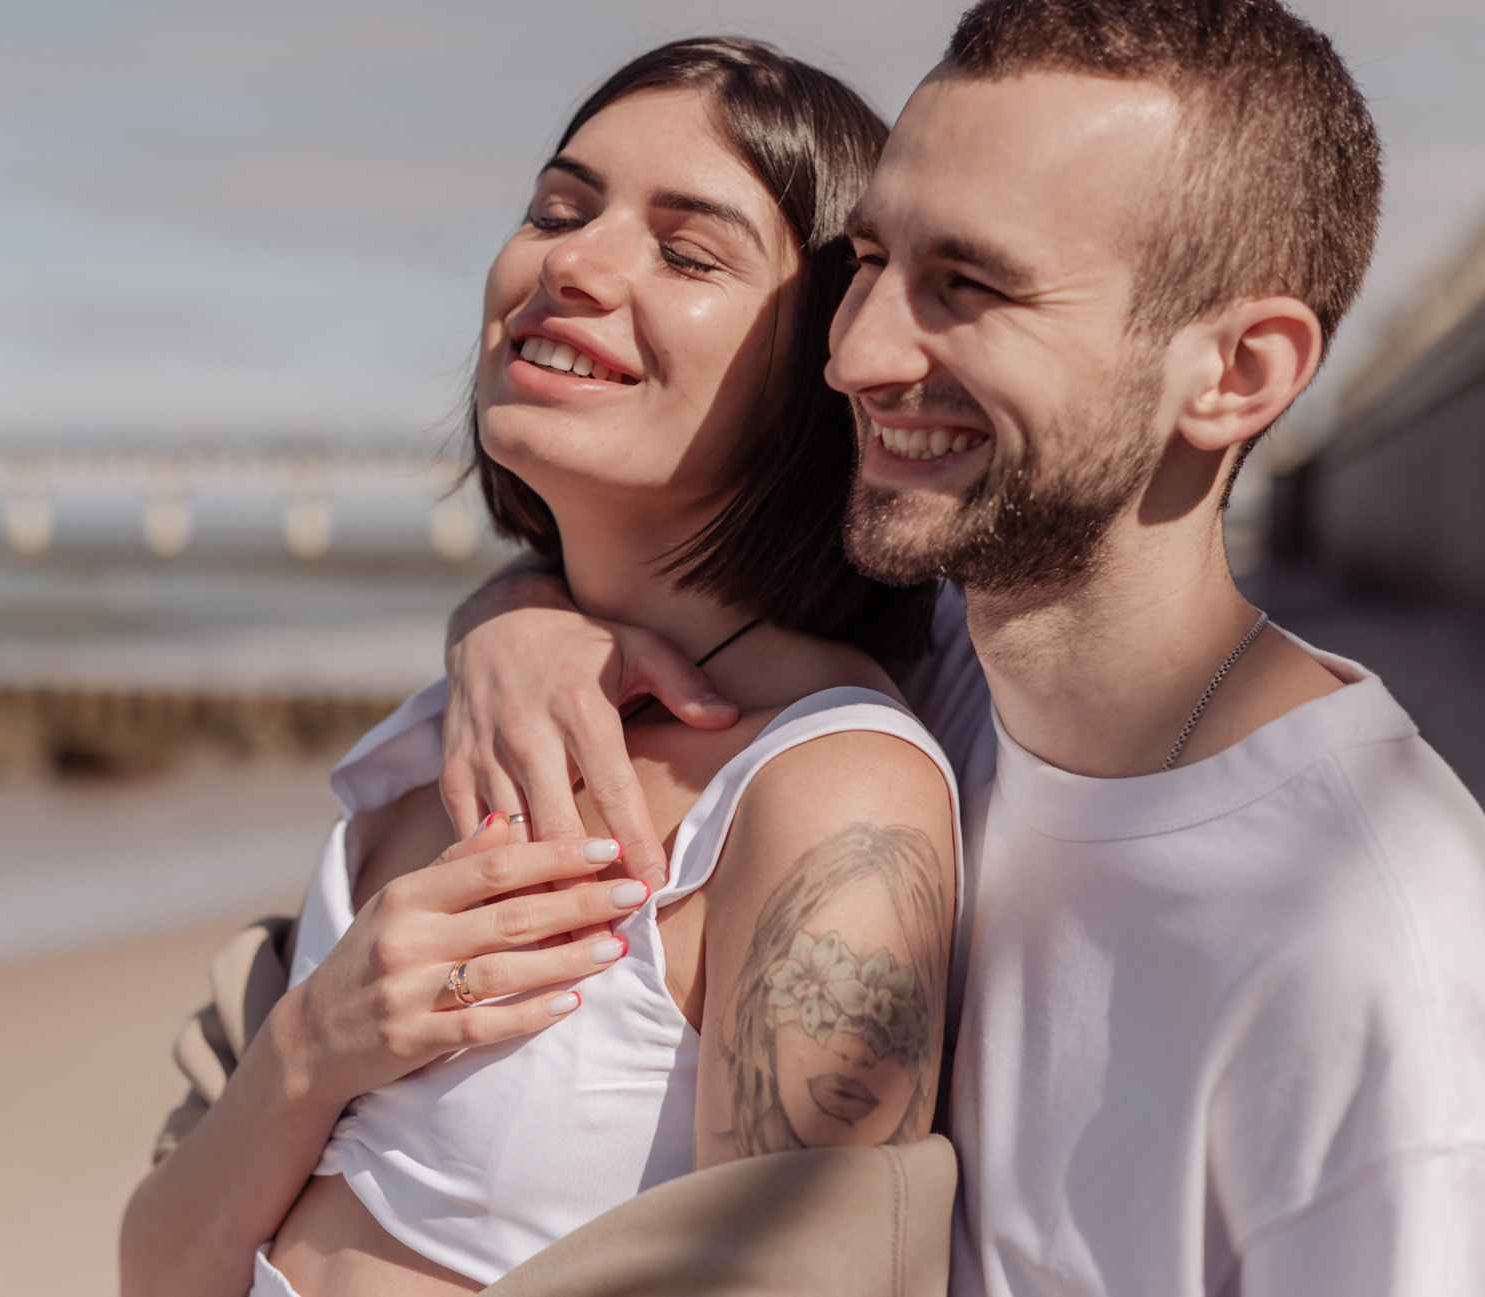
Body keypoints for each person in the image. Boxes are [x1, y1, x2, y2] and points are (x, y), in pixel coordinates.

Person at [437, 2, 1485, 1295]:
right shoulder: (957, 675)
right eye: (868, 261)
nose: (857, 352)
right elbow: (660, 571)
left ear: (1234, 373)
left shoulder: (1365, 943)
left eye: (968, 288)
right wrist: (524, 619)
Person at [120, 39, 966, 1297]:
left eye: (687, 252)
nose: (569, 260)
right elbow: (156, 1269)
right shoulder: (451, 731)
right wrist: (313, 1045)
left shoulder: (828, 795)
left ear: (820, 365)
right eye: (558, 209)